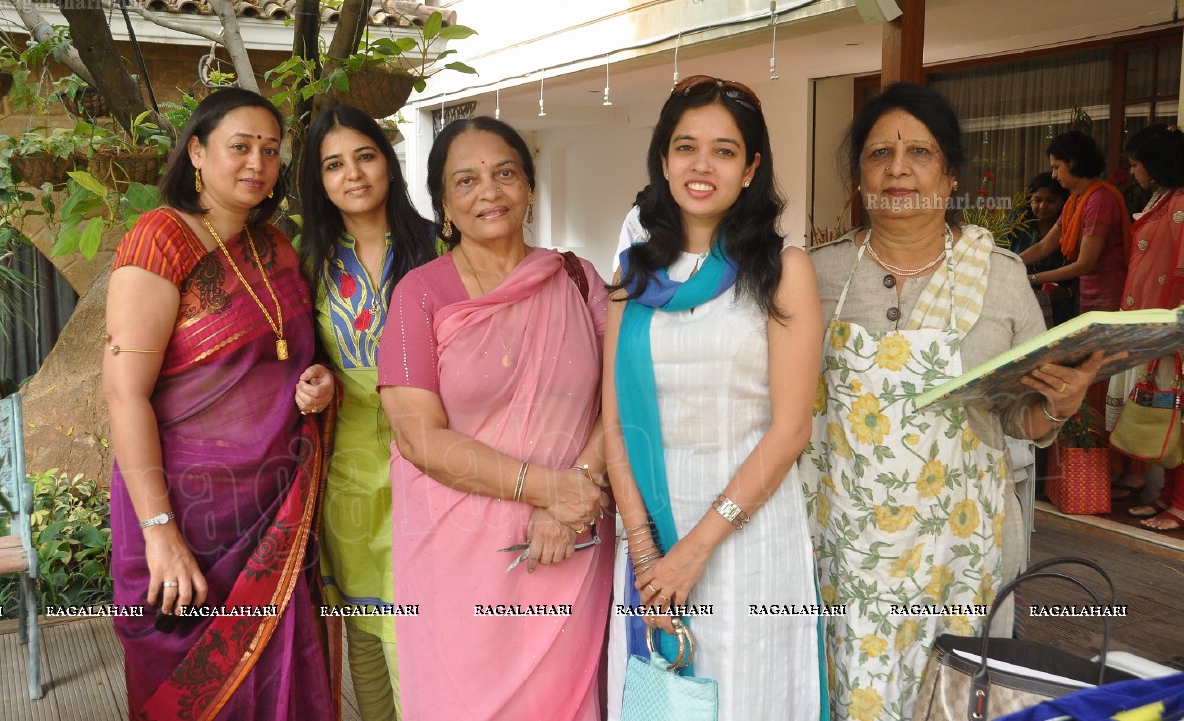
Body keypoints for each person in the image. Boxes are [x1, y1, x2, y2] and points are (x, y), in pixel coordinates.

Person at [802, 82, 1116, 721]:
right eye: (877, 153)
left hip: (960, 554)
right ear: (858, 176)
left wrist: (1058, 403)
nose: (897, 167)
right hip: (841, 554)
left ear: (948, 177)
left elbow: (1019, 415)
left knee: (954, 696)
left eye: (919, 151)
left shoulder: (999, 275)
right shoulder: (815, 274)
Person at [103, 88, 336, 720]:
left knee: (278, 686)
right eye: (240, 147)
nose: (257, 163)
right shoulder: (161, 241)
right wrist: (160, 534)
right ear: (198, 152)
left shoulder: (277, 249)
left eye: (270, 150)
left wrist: (316, 386)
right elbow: (124, 394)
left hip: (272, 511)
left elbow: (286, 363)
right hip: (187, 517)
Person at [604, 75, 826, 719]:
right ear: (664, 160)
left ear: (751, 167)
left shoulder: (783, 270)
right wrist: (648, 551)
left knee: (746, 692)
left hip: (747, 531)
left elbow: (789, 431)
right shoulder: (633, 274)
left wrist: (693, 552)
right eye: (686, 147)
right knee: (660, 697)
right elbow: (612, 421)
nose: (702, 165)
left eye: (725, 151)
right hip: (649, 526)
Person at [378, 117, 612, 720]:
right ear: (444, 203)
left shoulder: (578, 279)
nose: (490, 191)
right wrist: (549, 492)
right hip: (461, 552)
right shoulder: (418, 295)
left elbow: (622, 399)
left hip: (572, 538)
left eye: (505, 172)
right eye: (467, 179)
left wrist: (572, 498)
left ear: (530, 188)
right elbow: (417, 436)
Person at [298, 105, 442, 720]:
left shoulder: (442, 246)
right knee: (363, 621)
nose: (352, 174)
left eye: (365, 156)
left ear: (389, 161)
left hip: (436, 456)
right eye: (334, 164)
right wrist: (314, 381)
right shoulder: (306, 263)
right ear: (318, 181)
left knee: (421, 623)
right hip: (350, 465)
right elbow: (294, 355)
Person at [1113, 124, 1184, 531]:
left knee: (1179, 416)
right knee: (1167, 413)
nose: (1133, 171)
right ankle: (1166, 497)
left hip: (1172, 327)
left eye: (1136, 164)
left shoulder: (1180, 203)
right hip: (1157, 327)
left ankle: (1179, 503)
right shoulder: (1166, 199)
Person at [1018, 130, 1131, 313]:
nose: (1053, 175)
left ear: (1072, 162)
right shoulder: (1075, 200)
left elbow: (1085, 264)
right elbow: (1044, 246)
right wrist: (1011, 262)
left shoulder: (1099, 200)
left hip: (1109, 295)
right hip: (1088, 292)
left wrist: (1032, 279)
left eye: (1056, 167)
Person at [1010, 172, 1076, 325]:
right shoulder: (1017, 224)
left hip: (1060, 308)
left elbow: (1085, 268)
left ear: (1063, 202)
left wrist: (1067, 291)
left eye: (1051, 201)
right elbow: (1002, 259)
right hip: (1018, 303)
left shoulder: (1071, 227)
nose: (1042, 206)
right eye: (1037, 200)